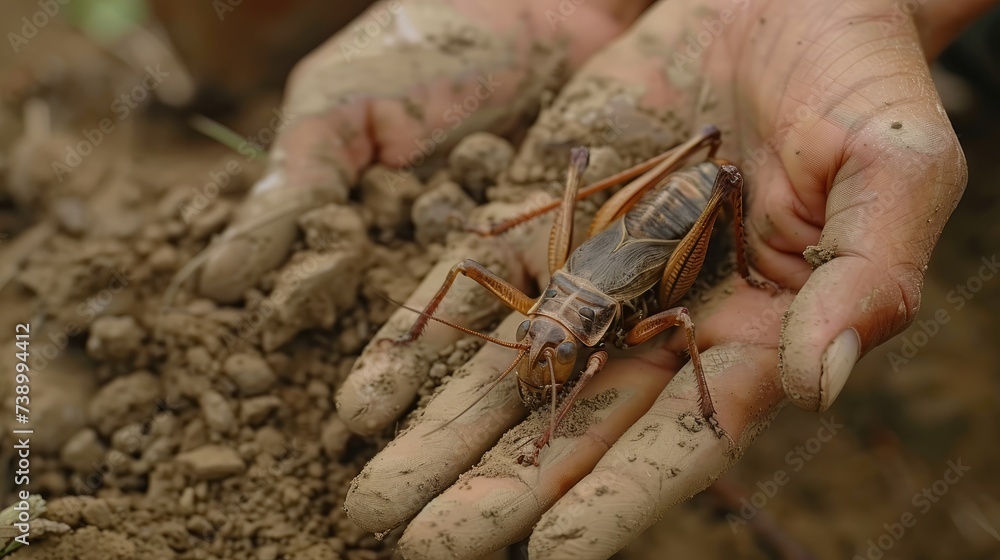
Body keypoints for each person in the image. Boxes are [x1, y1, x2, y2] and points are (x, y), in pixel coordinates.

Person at [197, 0, 992, 557]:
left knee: (701, 242)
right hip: (588, 263)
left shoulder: (617, 333)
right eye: (540, 338)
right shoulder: (540, 309)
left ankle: (744, 250)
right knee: (528, 219)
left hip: (674, 233)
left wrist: (549, 424)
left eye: (547, 342)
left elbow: (670, 324)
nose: (541, 348)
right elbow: (489, 285)